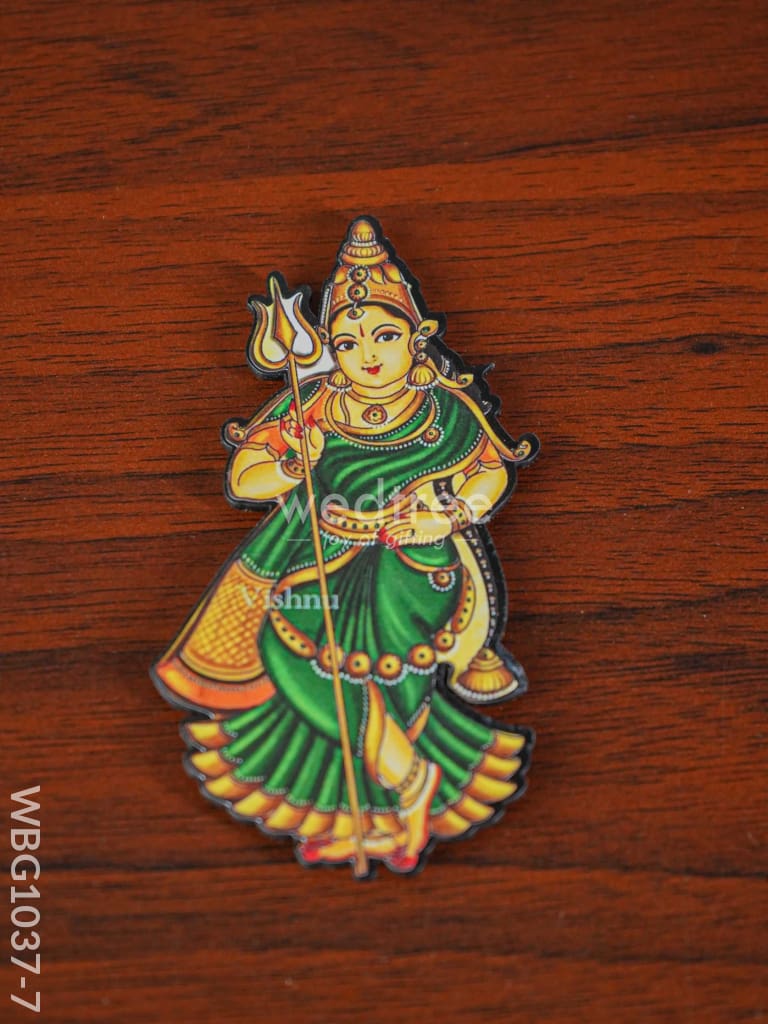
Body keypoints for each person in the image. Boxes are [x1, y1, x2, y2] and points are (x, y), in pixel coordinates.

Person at [153, 217, 537, 873]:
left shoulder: (444, 409)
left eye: (385, 336)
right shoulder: (315, 405)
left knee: (356, 666)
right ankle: (399, 803)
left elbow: (490, 474)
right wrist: (292, 463)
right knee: (297, 649)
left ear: (416, 338)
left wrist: (447, 516)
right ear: (330, 346)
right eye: (349, 340)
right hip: (319, 554)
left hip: (415, 561)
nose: (368, 354)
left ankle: (406, 798)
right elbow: (245, 479)